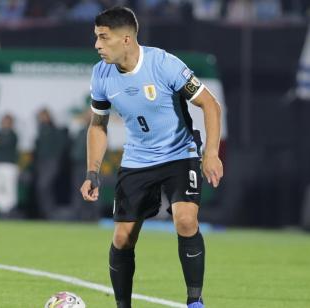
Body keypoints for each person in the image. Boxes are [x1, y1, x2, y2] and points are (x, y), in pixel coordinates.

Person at [80, 7, 223, 308]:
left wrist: (211, 153)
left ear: (127, 40)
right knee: (122, 238)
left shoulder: (163, 64)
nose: (97, 45)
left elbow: (210, 104)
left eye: (104, 38)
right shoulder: (101, 74)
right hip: (137, 159)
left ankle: (195, 302)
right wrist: (92, 171)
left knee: (185, 220)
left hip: (178, 154)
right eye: (96, 38)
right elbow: (98, 125)